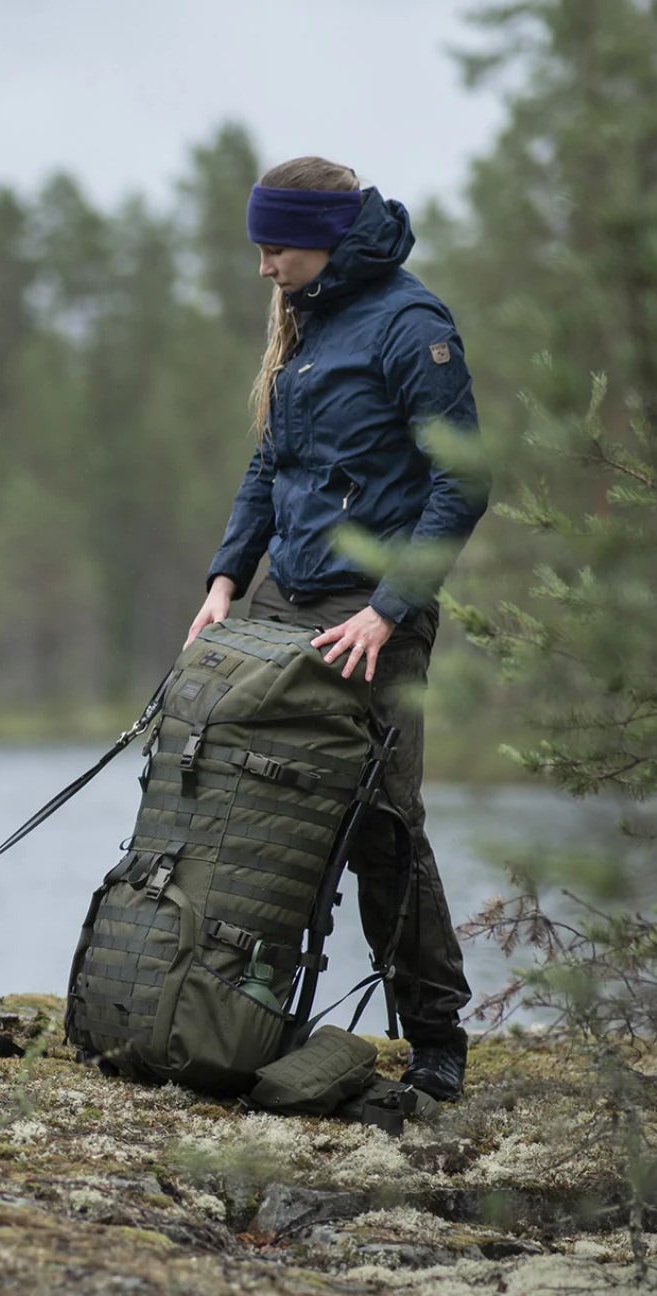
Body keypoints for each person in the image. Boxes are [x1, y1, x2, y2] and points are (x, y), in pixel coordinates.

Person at [185, 156, 490, 1102]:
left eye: (273, 246)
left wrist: (388, 608)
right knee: (254, 806)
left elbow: (463, 481)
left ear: (322, 237)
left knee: (384, 831)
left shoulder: (409, 326)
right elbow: (270, 469)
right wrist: (228, 576)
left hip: (375, 616)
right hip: (285, 602)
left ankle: (436, 1040)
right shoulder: (308, 325)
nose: (263, 266)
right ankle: (245, 1016)